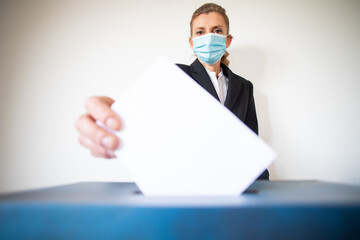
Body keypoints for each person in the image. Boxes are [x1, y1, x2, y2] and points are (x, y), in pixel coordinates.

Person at [75, 3, 269, 180]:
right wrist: (112, 119)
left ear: (227, 40)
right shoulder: (175, 75)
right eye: (200, 32)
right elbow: (142, 117)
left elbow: (252, 146)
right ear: (192, 42)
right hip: (186, 184)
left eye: (217, 31)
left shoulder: (244, 87)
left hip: (236, 184)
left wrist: (263, 188)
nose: (208, 37)